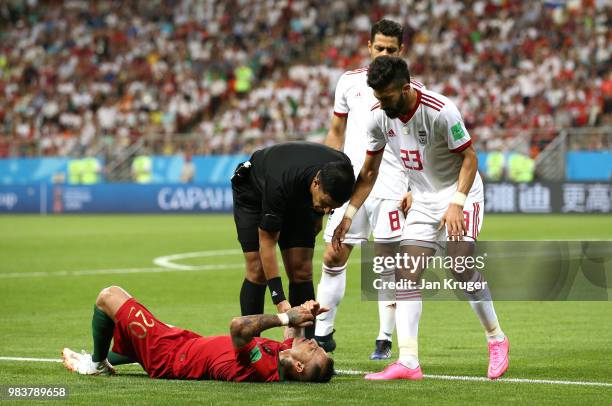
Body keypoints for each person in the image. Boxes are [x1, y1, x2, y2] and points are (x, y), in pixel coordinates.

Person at [333, 56, 509, 380]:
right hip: (423, 199)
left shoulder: (441, 110)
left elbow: (469, 158)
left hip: (461, 193)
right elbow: (369, 171)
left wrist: (456, 202)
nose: (380, 103)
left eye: (386, 97)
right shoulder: (378, 117)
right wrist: (348, 215)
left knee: (459, 267)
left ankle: (496, 338)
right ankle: (409, 361)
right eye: (376, 96)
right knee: (406, 272)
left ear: (405, 88)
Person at [315, 19, 416, 360]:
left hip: (391, 185)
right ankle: (322, 334)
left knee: (387, 264)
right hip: (349, 184)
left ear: (400, 52)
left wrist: (413, 185)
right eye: (379, 48)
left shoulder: (409, 89)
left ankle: (384, 338)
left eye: (391, 49)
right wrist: (327, 177)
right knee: (333, 254)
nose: (384, 53)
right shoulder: (348, 82)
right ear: (369, 46)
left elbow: (419, 143)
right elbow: (335, 131)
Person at [62, 286, 334, 383]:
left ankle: (96, 365)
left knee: (109, 296)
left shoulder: (263, 368)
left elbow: (237, 326)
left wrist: (287, 316)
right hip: (185, 343)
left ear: (299, 367)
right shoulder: (284, 355)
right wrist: (305, 312)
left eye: (313, 350)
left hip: (168, 355)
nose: (312, 341)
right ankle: (105, 358)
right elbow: (292, 334)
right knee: (125, 329)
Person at [232, 141, 355, 339]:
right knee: (257, 270)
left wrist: (320, 217)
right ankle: (251, 346)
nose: (325, 211)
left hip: (300, 197)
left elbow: (361, 183)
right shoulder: (279, 182)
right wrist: (279, 300)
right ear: (316, 183)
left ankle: (305, 346)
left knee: (301, 270)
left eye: (331, 208)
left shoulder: (342, 170)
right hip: (254, 193)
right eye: (324, 204)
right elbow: (268, 243)